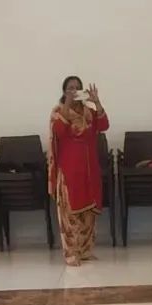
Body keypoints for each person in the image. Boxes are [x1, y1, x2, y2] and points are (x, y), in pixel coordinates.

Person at [49, 75, 110, 265]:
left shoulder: (89, 112)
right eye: (70, 88)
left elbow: (104, 125)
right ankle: (71, 253)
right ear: (64, 91)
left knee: (89, 213)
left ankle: (85, 250)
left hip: (89, 169)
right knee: (70, 214)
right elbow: (60, 131)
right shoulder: (58, 112)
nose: (74, 91)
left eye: (77, 88)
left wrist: (97, 102)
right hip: (69, 171)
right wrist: (67, 103)